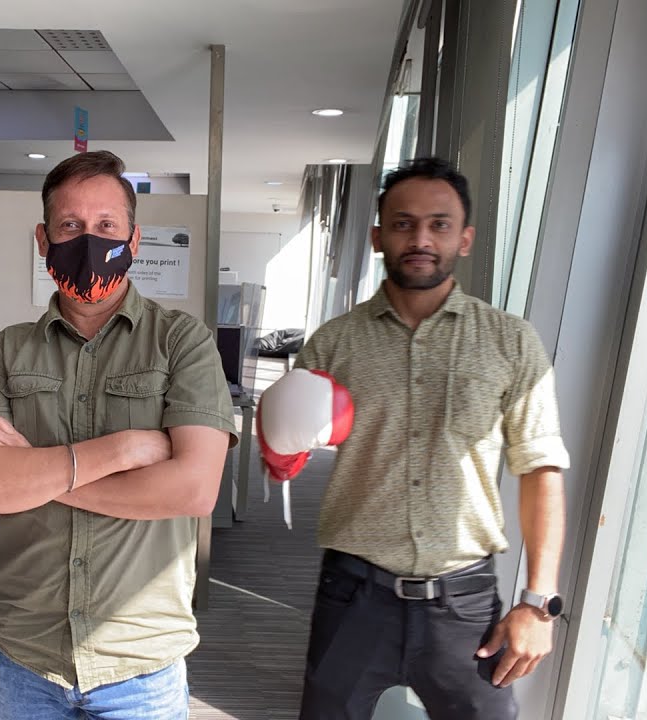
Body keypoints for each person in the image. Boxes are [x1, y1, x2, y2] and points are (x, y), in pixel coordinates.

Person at [263, 157, 570, 719]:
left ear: (465, 238)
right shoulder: (334, 343)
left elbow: (541, 467)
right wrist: (279, 448)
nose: (421, 239)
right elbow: (286, 454)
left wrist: (537, 603)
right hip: (353, 596)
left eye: (439, 224)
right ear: (378, 236)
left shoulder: (510, 341)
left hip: (464, 602)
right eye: (404, 224)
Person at [0, 150, 237, 719]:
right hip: (24, 652)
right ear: (43, 239)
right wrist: (123, 450)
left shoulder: (182, 342)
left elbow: (193, 490)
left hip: (140, 660)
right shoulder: (7, 350)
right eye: (70, 226)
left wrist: (35, 471)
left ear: (134, 240)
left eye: (107, 226)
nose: (89, 240)